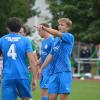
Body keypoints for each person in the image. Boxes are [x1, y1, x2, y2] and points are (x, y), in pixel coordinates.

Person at [0, 17, 37, 100]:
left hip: (7, 75)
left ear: (7, 27)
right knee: (26, 98)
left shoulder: (1, 40)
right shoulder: (26, 41)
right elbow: (32, 60)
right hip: (22, 75)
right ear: (20, 27)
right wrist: (34, 78)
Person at [37, 18, 74, 100]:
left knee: (63, 97)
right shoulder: (56, 40)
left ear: (67, 28)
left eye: (62, 25)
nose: (59, 26)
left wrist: (44, 28)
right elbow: (50, 55)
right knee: (51, 97)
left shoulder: (69, 37)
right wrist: (41, 68)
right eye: (59, 24)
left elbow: (55, 32)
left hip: (64, 71)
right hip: (53, 73)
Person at [19, 25, 38, 100]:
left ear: (24, 33)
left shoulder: (29, 42)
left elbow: (34, 59)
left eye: (21, 32)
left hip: (26, 71)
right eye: (18, 32)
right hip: (14, 72)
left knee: (25, 95)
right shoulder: (12, 42)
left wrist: (34, 77)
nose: (19, 34)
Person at [36, 23, 54, 100]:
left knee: (46, 90)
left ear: (44, 30)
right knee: (44, 91)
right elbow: (43, 56)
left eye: (39, 31)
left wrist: (42, 68)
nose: (38, 33)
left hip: (49, 69)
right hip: (44, 69)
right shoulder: (43, 41)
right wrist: (35, 64)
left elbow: (52, 56)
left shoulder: (52, 40)